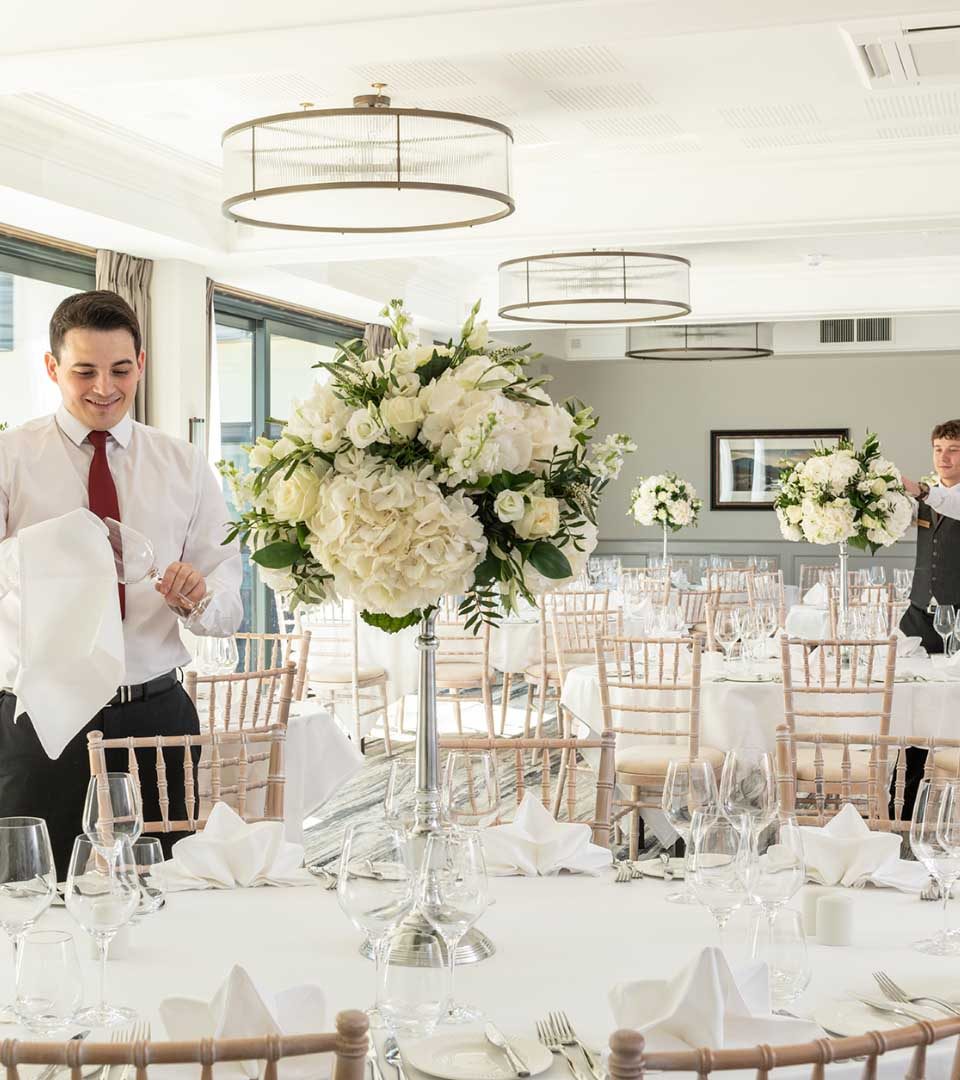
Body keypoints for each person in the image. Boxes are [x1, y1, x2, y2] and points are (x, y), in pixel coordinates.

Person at [0, 290, 242, 875]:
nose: (104, 387)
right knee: (30, 890)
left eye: (120, 369)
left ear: (142, 364)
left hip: (154, 713)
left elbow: (228, 606)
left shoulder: (184, 465)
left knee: (168, 889)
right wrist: (53, 551)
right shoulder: (9, 458)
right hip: (43, 714)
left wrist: (197, 599)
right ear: (53, 368)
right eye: (84, 370)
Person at [897, 419, 960, 819]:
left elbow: (949, 502)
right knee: (907, 701)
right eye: (938, 449)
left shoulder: (938, 495)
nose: (944, 457)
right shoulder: (927, 496)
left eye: (953, 449)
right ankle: (900, 807)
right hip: (919, 612)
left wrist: (919, 489)